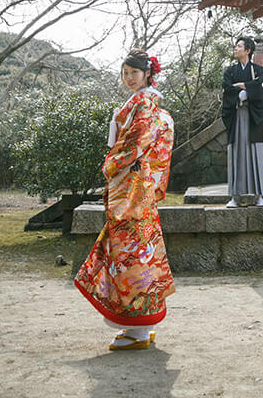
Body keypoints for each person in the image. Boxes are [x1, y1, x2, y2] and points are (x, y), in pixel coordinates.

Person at [74, 49, 175, 350]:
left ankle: (139, 330)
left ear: (147, 74)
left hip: (132, 189)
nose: (129, 78)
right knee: (139, 251)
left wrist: (110, 165)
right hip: (137, 189)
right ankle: (143, 325)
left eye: (134, 72)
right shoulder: (145, 103)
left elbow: (135, 141)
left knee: (130, 254)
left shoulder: (144, 103)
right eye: (125, 73)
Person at [221, 35, 263, 207]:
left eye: (239, 46)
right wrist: (243, 90)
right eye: (236, 46)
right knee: (237, 153)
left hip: (253, 116)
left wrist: (247, 89)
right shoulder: (230, 71)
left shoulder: (258, 70)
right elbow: (227, 88)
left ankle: (260, 195)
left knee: (257, 152)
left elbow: (261, 87)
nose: (236, 48)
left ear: (248, 50)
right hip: (236, 115)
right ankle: (235, 196)